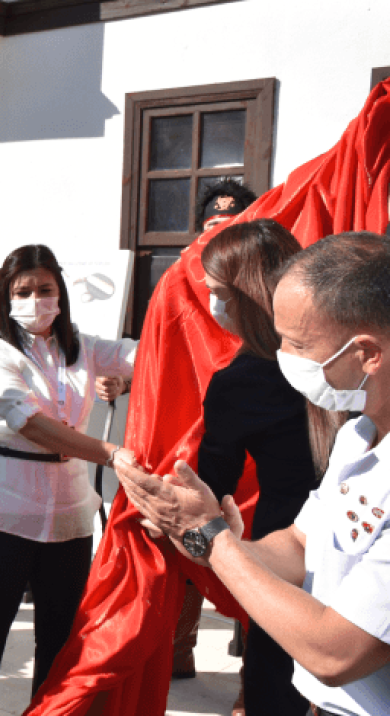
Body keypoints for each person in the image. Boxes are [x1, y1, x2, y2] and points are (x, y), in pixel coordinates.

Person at [117, 231, 390, 716]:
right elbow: (300, 546)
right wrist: (201, 533)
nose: (286, 358)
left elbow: (335, 651)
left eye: (299, 343)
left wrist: (214, 541)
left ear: (367, 353)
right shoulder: (358, 436)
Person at [0, 244, 138, 716]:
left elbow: (145, 357)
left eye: (45, 289)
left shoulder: (82, 347)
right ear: (5, 296)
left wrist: (128, 379)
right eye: (23, 291)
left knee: (59, 640)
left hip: (69, 514)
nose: (35, 299)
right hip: (5, 508)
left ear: (61, 293)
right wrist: (111, 454)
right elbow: (29, 423)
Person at [175, 218, 310, 714]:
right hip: (349, 542)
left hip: (290, 557)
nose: (212, 305)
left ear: (248, 295)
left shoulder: (241, 381)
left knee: (277, 687)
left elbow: (211, 491)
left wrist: (172, 516)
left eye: (218, 293)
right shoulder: (350, 355)